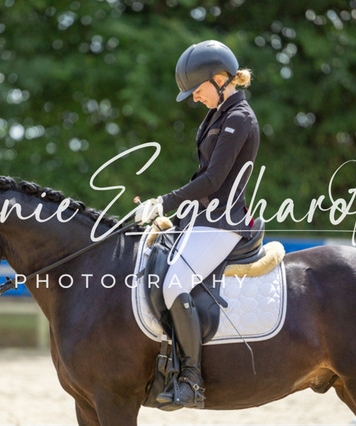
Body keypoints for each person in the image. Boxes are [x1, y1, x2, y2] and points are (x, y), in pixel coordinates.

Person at [135, 40, 260, 408]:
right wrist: (174, 214)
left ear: (220, 79)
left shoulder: (239, 118)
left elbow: (214, 179)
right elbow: (203, 176)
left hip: (224, 222)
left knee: (175, 285)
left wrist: (165, 201)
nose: (194, 97)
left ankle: (191, 379)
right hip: (202, 218)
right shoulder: (217, 114)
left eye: (197, 89)